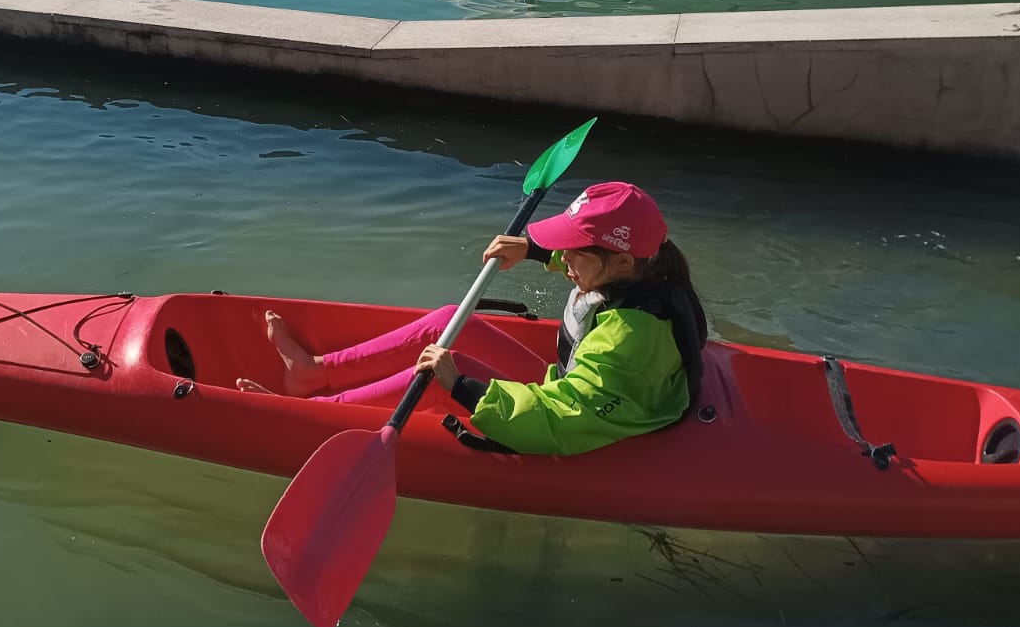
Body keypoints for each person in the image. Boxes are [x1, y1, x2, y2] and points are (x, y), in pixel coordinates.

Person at [237, 182, 707, 456]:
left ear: (621, 261)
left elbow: (564, 419)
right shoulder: (650, 265)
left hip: (584, 416)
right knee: (448, 320)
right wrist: (532, 250)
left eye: (572, 252)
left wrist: (462, 387)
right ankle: (314, 372)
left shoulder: (628, 340)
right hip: (576, 384)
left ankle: (315, 417)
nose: (564, 259)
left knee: (438, 377)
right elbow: (597, 270)